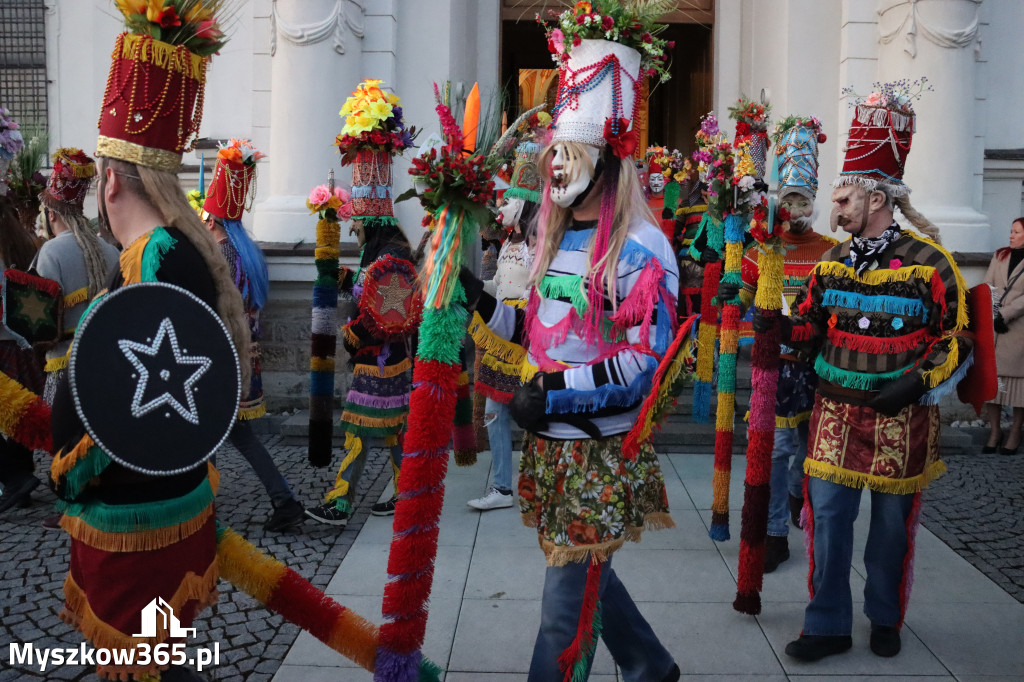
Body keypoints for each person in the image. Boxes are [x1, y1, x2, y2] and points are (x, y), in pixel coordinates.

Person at [465, 26, 681, 681]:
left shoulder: (642, 248)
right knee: (583, 574)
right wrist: (476, 300)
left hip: (596, 453)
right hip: (551, 444)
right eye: (553, 151)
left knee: (565, 607)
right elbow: (536, 332)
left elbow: (647, 361)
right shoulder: (555, 239)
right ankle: (649, 665)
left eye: (570, 151)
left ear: (609, 157)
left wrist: (554, 393)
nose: (553, 164)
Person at [48, 16, 249, 681]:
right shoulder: (186, 246)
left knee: (143, 669)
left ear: (110, 183)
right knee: (165, 658)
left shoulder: (150, 259)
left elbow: (119, 402)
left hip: (134, 519)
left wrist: (66, 466)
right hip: (176, 503)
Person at [775, 84, 971, 662]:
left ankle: (884, 616)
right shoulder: (832, 263)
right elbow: (808, 327)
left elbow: (957, 339)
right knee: (828, 522)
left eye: (842, 200)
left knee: (889, 529)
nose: (833, 211)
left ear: (876, 199)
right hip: (835, 411)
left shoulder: (931, 262)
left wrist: (916, 381)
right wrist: (778, 327)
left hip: (902, 416)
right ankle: (827, 624)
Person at [721, 116, 837, 572]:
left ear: (812, 200)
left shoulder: (832, 251)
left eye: (802, 198)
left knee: (808, 452)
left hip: (820, 365)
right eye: (787, 199)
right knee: (772, 450)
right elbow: (746, 292)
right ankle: (773, 534)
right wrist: (735, 292)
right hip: (775, 367)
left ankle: (796, 499)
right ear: (777, 204)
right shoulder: (760, 248)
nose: (795, 206)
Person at [307, 87, 419, 526]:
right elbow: (372, 288)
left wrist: (357, 334)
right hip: (390, 362)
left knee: (358, 429)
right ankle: (406, 496)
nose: (354, 226)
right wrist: (344, 278)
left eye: (358, 221)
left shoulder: (389, 251)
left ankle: (340, 502)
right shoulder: (390, 247)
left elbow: (391, 304)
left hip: (379, 358)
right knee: (391, 432)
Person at [202, 139, 305, 531]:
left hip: (222, 357)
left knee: (220, 434)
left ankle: (206, 510)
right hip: (242, 355)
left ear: (211, 221)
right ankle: (279, 500)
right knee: (226, 435)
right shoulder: (247, 252)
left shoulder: (222, 256)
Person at [467, 138, 540, 511]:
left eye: (509, 201)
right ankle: (501, 487)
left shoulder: (536, 245)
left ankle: (535, 483)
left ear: (525, 204)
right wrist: (474, 290)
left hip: (524, 334)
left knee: (529, 410)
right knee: (496, 410)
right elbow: (500, 284)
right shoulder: (507, 244)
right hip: (501, 334)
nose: (502, 207)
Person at [35, 148, 120, 404]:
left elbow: (41, 321)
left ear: (51, 215)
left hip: (64, 366)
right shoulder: (111, 251)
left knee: (60, 442)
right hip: (104, 364)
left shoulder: (51, 250)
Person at [0, 188, 44, 514]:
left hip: (2, 341)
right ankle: (22, 480)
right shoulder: (23, 243)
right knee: (20, 416)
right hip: (23, 344)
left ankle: (14, 478)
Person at [982, 217, 1024, 455]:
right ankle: (995, 431)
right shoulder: (1000, 256)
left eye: (1016, 232)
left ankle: (1016, 431)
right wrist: (991, 312)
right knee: (993, 385)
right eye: (1011, 231)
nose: (1011, 235)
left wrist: (1005, 314)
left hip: (1018, 330)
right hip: (995, 328)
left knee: (1019, 388)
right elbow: (989, 285)